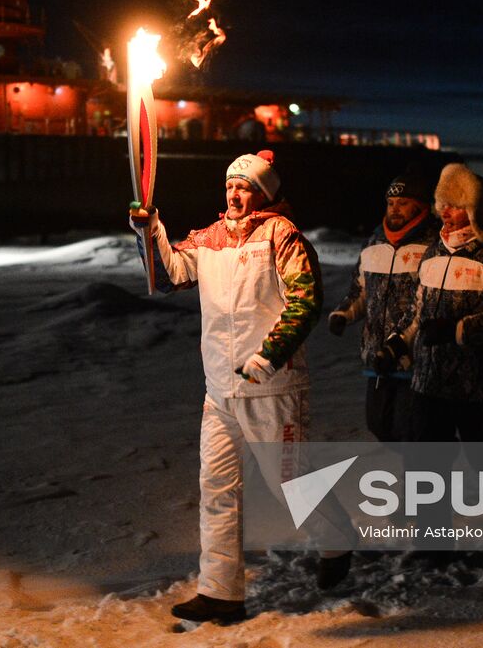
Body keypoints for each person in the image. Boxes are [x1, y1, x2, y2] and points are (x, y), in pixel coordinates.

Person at [130, 149, 348, 624]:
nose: (234, 193)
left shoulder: (281, 235)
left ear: (263, 193)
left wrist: (267, 357)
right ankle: (220, 592)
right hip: (220, 389)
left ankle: (335, 538)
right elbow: (170, 276)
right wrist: (150, 231)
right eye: (230, 184)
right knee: (217, 489)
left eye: (244, 186)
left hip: (273, 387)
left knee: (290, 481)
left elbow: (306, 301)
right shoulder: (208, 239)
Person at [396, 162, 483, 443]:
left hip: (478, 385)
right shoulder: (433, 253)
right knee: (425, 461)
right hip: (429, 380)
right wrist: (398, 340)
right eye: (443, 203)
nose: (445, 211)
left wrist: (456, 330)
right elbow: (418, 308)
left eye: (456, 205)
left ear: (475, 210)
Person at [327, 169, 439, 441]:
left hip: (415, 359)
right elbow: (361, 290)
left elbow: (430, 305)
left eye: (403, 203)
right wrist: (343, 313)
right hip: (378, 358)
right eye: (390, 203)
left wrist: (401, 343)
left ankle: (422, 475)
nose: (395, 209)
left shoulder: (434, 245)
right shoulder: (374, 243)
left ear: (421, 206)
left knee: (408, 429)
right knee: (379, 425)